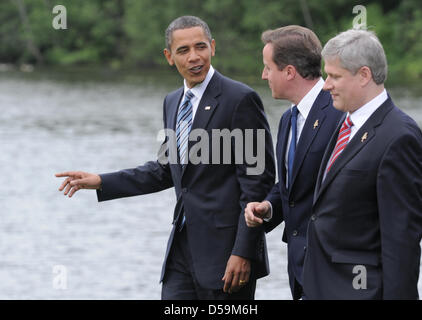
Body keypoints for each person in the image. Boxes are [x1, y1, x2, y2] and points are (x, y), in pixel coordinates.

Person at [55, 15, 275, 300]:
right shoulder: (172, 102)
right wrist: (100, 181)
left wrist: (244, 251)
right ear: (169, 57)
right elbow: (164, 170)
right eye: (183, 51)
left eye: (200, 47)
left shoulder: (240, 99)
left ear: (213, 47)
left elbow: (256, 183)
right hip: (181, 253)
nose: (194, 57)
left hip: (227, 256)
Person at [302, 29, 422, 299]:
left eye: (334, 76)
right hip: (321, 286)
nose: (325, 84)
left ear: (364, 75)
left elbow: (401, 241)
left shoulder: (398, 136)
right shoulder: (346, 122)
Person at [244, 25, 343, 299]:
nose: (263, 75)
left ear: (289, 72)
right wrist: (268, 207)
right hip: (298, 267)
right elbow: (294, 183)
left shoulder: (340, 113)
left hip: (333, 269)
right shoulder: (289, 118)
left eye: (267, 67)